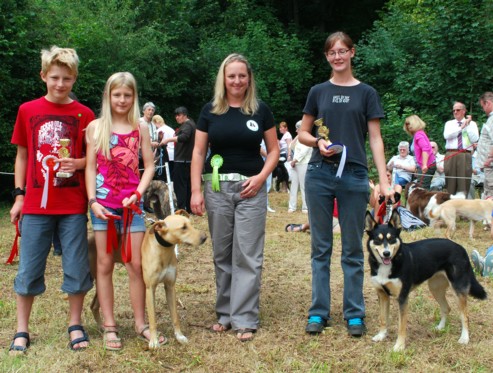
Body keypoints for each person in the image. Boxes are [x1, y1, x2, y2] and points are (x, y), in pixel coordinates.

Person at [298, 31, 390, 337]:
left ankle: (354, 313)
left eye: (342, 51)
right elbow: (304, 133)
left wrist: (384, 182)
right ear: (327, 57)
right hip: (319, 173)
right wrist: (318, 143)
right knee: (320, 248)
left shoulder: (366, 93)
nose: (337, 57)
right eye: (331, 52)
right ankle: (318, 312)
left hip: (353, 175)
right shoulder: (318, 91)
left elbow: (375, 139)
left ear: (352, 53)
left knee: (352, 249)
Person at [9, 46, 95, 355]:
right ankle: (22, 328)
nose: (60, 84)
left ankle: (75, 323)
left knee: (76, 266)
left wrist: (79, 163)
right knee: (29, 269)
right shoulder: (27, 110)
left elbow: (93, 159)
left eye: (67, 79)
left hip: (72, 205)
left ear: (75, 79)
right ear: (44, 76)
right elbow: (22, 155)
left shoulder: (85, 115)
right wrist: (18, 197)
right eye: (55, 77)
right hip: (35, 206)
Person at [190, 53, 279, 342]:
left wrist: (261, 178)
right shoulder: (210, 111)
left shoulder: (260, 110)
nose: (237, 80)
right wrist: (194, 191)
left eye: (242, 75)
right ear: (223, 79)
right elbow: (199, 152)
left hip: (251, 189)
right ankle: (225, 314)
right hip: (217, 189)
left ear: (249, 78)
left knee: (248, 255)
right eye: (231, 76)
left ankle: (245, 318)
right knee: (222, 254)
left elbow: (274, 150)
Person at [85, 72, 164, 350]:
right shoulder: (95, 128)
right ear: (108, 96)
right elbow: (91, 167)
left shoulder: (140, 127)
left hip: (133, 207)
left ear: (134, 97)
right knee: (104, 265)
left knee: (135, 265)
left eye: (127, 95)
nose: (122, 99)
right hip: (103, 208)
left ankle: (141, 323)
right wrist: (93, 201)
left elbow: (150, 165)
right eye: (116, 94)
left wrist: (138, 194)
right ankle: (109, 326)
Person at [161, 106, 196, 213]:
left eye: (179, 115)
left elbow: (184, 137)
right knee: (187, 185)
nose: (177, 117)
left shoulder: (188, 125)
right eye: (175, 115)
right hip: (187, 160)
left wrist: (167, 140)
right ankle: (188, 208)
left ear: (185, 115)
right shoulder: (191, 124)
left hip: (183, 160)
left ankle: (181, 208)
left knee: (180, 186)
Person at [443, 101, 479, 195]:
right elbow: (447, 135)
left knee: (463, 184)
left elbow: (475, 139)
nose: (455, 112)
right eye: (453, 110)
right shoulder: (449, 123)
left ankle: (462, 205)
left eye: (458, 110)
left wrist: (467, 126)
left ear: (464, 111)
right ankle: (450, 205)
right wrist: (461, 128)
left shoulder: (472, 124)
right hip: (451, 153)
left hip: (465, 154)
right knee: (450, 183)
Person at [403, 115, 436, 190]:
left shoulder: (418, 134)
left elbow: (425, 148)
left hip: (426, 166)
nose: (408, 127)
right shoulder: (419, 133)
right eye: (406, 125)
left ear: (414, 123)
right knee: (422, 189)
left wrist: (424, 165)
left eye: (409, 124)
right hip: (425, 165)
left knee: (422, 190)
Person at [288, 120, 312, 213]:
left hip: (303, 164)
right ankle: (292, 206)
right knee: (293, 185)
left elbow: (304, 152)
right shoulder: (298, 138)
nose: (296, 131)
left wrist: (294, 160)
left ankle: (305, 207)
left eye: (297, 129)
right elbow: (291, 146)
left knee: (303, 186)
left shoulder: (308, 137)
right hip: (295, 164)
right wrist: (297, 136)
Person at [476, 92, 493, 199]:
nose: (483, 109)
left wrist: (490, 158)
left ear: (487, 103)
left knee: (490, 194)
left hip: (491, 165)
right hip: (489, 165)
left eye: (483, 106)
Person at [151, 114, 172, 182]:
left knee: (162, 176)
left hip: (164, 155)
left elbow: (158, 145)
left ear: (155, 122)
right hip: (173, 155)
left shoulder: (159, 131)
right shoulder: (170, 129)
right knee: (170, 176)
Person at [276, 121, 292, 192]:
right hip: (282, 154)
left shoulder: (287, 135)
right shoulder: (285, 135)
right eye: (279, 127)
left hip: (285, 155)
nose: (280, 129)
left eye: (281, 127)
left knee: (284, 171)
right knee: (282, 171)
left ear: (286, 128)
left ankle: (284, 188)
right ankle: (284, 187)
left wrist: (289, 155)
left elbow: (289, 146)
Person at [260, 140, 275, 212]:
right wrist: (269, 156)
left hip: (268, 162)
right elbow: (260, 149)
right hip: (262, 163)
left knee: (267, 185)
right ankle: (264, 205)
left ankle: (266, 204)